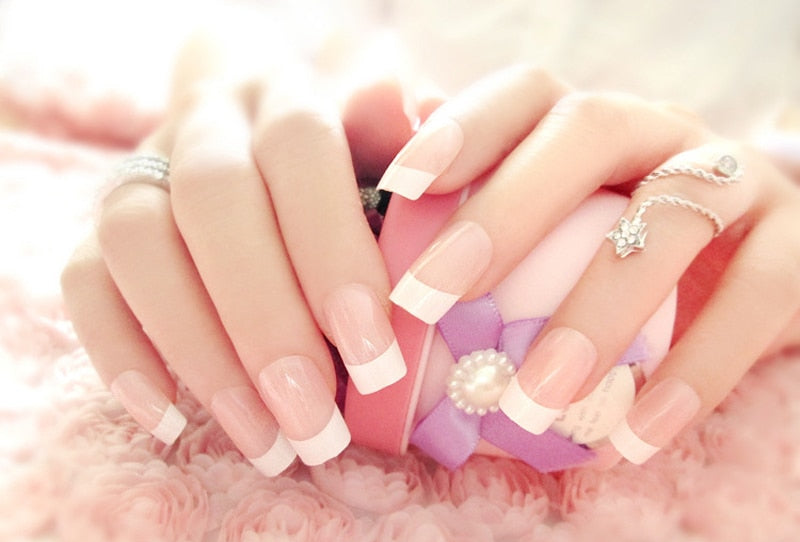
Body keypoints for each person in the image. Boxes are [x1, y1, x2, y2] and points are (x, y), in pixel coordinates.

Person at [60, 31, 800, 477]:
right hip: (358, 174)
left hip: (686, 204)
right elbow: (248, 32)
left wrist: (775, 201)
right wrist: (224, 100)